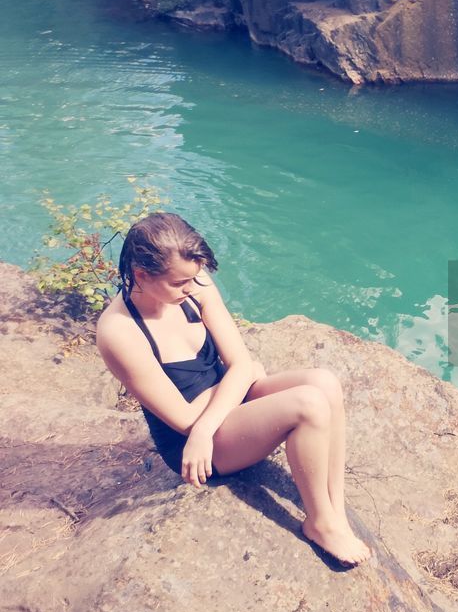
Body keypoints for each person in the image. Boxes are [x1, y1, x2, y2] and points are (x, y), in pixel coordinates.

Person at [96, 212, 371, 566]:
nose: (192, 288)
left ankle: (335, 511)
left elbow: (242, 364)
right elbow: (185, 418)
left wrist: (238, 377)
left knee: (325, 383)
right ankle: (319, 523)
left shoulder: (195, 286)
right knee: (308, 404)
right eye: (180, 283)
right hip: (194, 445)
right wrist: (233, 384)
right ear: (142, 275)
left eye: (194, 278)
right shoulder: (120, 333)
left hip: (216, 417)